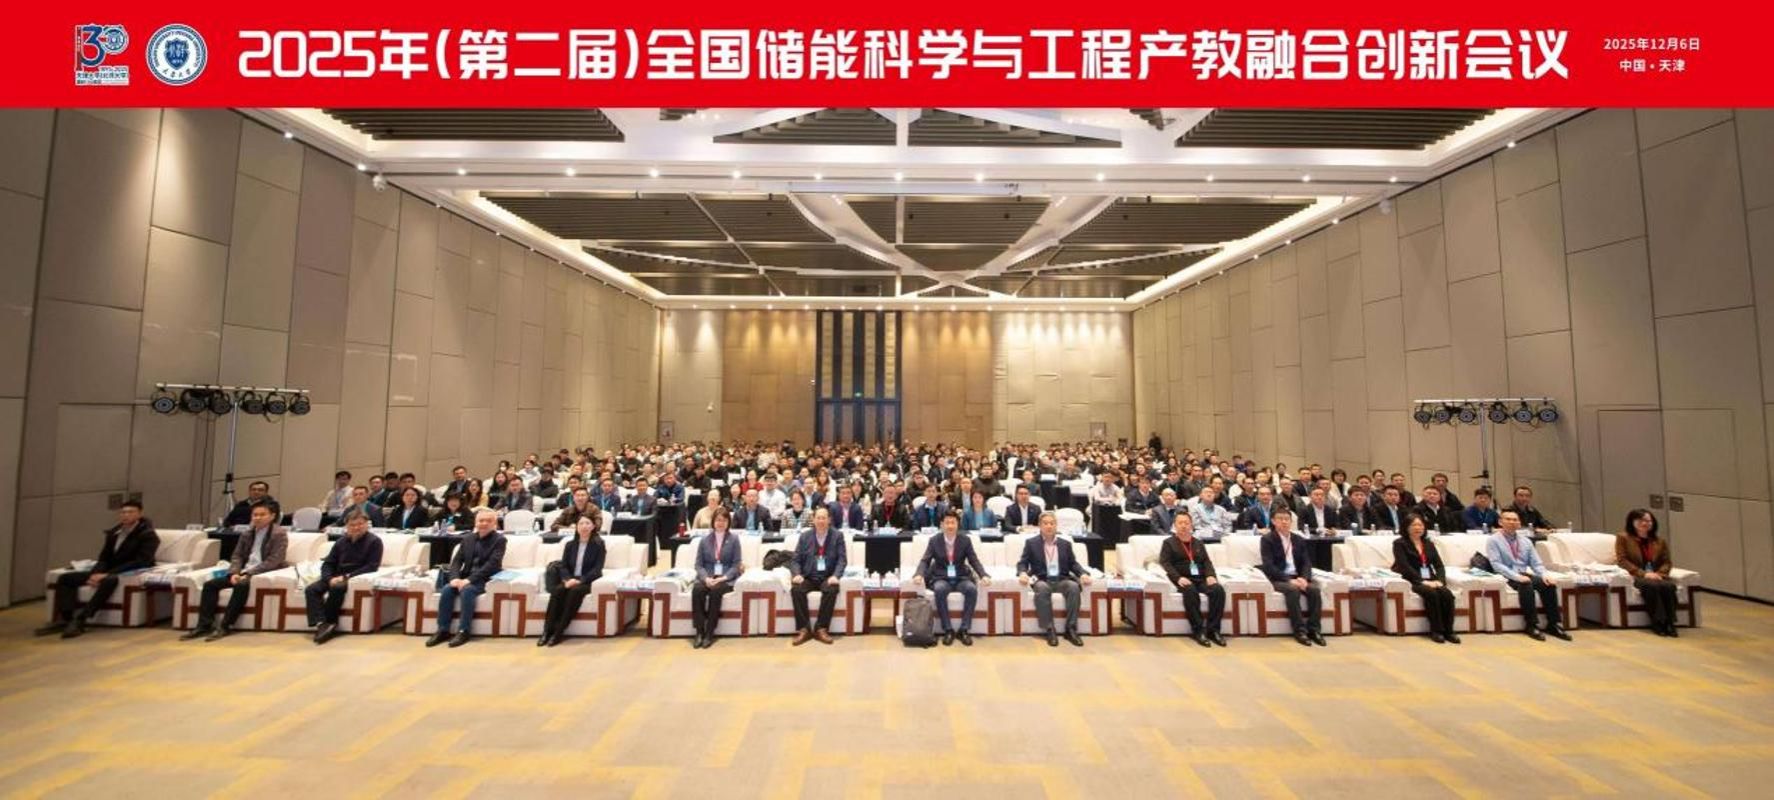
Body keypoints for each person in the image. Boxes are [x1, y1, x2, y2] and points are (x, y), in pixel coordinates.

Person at [38, 500, 159, 639]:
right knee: (66, 579)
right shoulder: (114, 532)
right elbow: (103, 558)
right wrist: (95, 574)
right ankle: (67, 618)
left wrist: (106, 574)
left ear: (139, 514)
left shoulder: (148, 535)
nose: (126, 515)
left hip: (127, 571)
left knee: (109, 580)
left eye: (130, 512)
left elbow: (141, 562)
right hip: (107, 570)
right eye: (123, 512)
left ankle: (81, 619)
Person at [182, 502, 288, 642]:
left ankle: (225, 626)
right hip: (243, 571)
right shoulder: (247, 533)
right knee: (210, 585)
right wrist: (234, 573)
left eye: (262, 515)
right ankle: (204, 625)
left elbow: (274, 560)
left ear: (272, 516)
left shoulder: (279, 534)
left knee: (241, 585)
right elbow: (237, 556)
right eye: (255, 515)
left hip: (262, 573)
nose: (257, 518)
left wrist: (248, 574)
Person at [1485, 510, 1570, 641]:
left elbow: (1536, 563)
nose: (1512, 522)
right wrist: (1516, 577)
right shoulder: (1493, 540)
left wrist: (1544, 575)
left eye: (1515, 520)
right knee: (1526, 585)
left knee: (1548, 584)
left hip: (1524, 573)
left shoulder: (1526, 541)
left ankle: (1554, 624)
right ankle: (1531, 625)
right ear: (1500, 522)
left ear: (1519, 523)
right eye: (1508, 519)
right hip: (1505, 575)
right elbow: (1496, 564)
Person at [304, 509, 384, 645]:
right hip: (335, 575)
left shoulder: (374, 541)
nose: (356, 528)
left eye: (360, 524)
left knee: (337, 588)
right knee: (311, 589)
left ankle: (330, 621)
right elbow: (328, 563)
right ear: (346, 526)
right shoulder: (341, 541)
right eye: (352, 525)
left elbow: (372, 566)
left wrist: (346, 576)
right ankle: (321, 623)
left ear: (366, 524)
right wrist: (328, 578)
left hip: (353, 576)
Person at [428, 509, 506, 648]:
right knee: (447, 589)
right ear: (476, 523)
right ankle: (443, 630)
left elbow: (491, 565)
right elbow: (457, 561)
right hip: (465, 576)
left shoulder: (500, 540)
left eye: (488, 521)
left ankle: (464, 631)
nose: (484, 523)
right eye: (481, 520)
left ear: (495, 524)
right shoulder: (468, 539)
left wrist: (469, 580)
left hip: (485, 579)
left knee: (467, 590)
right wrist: (454, 578)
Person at [1016, 511, 1092, 647]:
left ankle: (1071, 629)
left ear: (1056, 525)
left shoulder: (1065, 544)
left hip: (1061, 579)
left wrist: (1082, 574)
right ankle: (1050, 629)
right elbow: (1023, 562)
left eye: (1052, 523)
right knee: (1042, 588)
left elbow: (1073, 564)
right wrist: (1022, 573)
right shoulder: (1031, 543)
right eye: (1045, 523)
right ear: (1040, 526)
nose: (1049, 526)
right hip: (1042, 579)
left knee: (1073, 587)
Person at [914, 510, 988, 646]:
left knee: (971, 589)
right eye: (947, 523)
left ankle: (964, 629)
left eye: (953, 522)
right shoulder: (934, 540)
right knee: (940, 589)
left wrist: (983, 575)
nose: (950, 526)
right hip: (941, 577)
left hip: (960, 577)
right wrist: (919, 574)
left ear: (957, 524)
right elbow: (925, 560)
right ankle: (948, 629)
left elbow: (973, 560)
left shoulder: (965, 540)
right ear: (942, 525)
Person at [1258, 509, 1325, 647]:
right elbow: (1268, 566)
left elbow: (1306, 562)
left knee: (1314, 590)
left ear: (1291, 521)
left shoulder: (1298, 539)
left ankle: (1314, 630)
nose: (1284, 522)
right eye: (1280, 519)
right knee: (1292, 590)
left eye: (1287, 519)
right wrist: (1289, 580)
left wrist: (1304, 578)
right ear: (1273, 521)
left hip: (1298, 576)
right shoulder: (1267, 539)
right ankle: (1299, 630)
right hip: (1278, 578)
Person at [1158, 513, 1226, 648]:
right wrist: (1178, 578)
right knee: (1190, 591)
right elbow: (1165, 563)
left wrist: (1210, 575)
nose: (1183, 526)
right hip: (1183, 579)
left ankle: (1214, 630)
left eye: (1186, 523)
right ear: (1175, 525)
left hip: (1201, 578)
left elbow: (1206, 562)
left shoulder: (1198, 543)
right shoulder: (1168, 543)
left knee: (1218, 590)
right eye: (1180, 523)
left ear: (1191, 525)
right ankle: (1198, 630)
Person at [539, 511, 605, 647]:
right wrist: (567, 579)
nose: (584, 526)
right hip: (570, 579)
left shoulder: (599, 544)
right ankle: (547, 631)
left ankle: (558, 632)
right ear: (576, 526)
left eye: (587, 523)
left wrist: (580, 580)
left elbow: (597, 569)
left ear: (593, 526)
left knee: (574, 593)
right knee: (557, 591)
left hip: (586, 581)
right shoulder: (570, 544)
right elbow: (563, 566)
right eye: (581, 523)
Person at [1392, 514, 1460, 644]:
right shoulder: (1399, 544)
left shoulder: (1428, 544)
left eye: (1420, 525)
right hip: (1412, 578)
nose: (1418, 528)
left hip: (1431, 578)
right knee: (1432, 594)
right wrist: (1423, 581)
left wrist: (1440, 581)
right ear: (1406, 527)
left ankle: (1449, 631)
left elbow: (1439, 565)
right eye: (1414, 525)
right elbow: (1404, 566)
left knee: (1447, 594)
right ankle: (1437, 631)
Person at [788, 506, 846, 646]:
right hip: (808, 576)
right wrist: (796, 574)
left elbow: (842, 560)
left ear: (829, 520)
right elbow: (795, 559)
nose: (821, 521)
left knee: (831, 589)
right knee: (796, 589)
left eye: (823, 518)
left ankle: (821, 628)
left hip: (827, 576)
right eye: (818, 518)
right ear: (813, 520)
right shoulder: (805, 536)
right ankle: (804, 629)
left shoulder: (837, 536)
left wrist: (836, 576)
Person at [1617, 508, 1680, 637]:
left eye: (1648, 520)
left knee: (1669, 586)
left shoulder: (1659, 541)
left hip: (1657, 575)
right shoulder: (1623, 538)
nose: (1645, 523)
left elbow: (1667, 562)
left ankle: (1670, 623)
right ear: (1632, 522)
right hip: (1637, 575)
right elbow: (1622, 560)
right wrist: (1644, 574)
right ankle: (1658, 622)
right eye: (1641, 520)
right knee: (1652, 586)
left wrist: (1660, 574)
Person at [691, 507, 743, 649]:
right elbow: (698, 564)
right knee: (697, 590)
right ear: (713, 522)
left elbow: (736, 564)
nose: (721, 523)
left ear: (728, 523)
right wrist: (706, 578)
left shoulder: (734, 539)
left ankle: (709, 632)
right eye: (718, 520)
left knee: (715, 592)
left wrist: (724, 578)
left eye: (724, 520)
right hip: (707, 576)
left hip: (725, 578)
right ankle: (699, 631)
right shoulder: (704, 540)